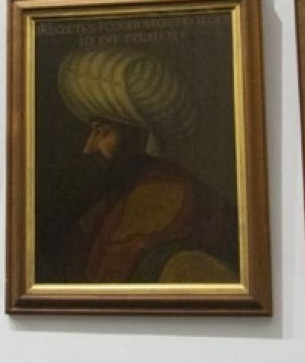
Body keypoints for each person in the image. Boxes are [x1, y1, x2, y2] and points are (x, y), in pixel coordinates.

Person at [56, 46, 238, 284]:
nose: (88, 148)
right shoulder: (107, 207)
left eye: (102, 132)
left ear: (139, 136)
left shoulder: (191, 204)